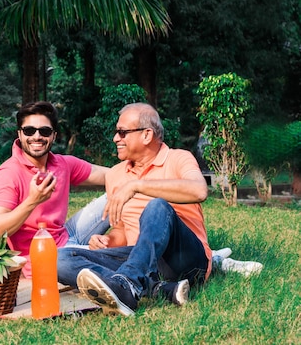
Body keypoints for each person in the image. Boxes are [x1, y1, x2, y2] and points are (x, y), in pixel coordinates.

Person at [56, 102, 212, 316]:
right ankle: (154, 288)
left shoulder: (178, 158)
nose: (115, 138)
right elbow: (121, 229)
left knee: (157, 206)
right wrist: (108, 241)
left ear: (147, 135)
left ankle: (127, 285)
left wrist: (138, 186)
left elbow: (199, 191)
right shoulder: (115, 175)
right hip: (140, 259)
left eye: (122, 132)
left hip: (184, 260)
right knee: (60, 258)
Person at [0, 101, 110, 278]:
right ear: (20, 135)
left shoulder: (62, 163)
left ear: (53, 136)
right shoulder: (7, 173)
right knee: (108, 256)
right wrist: (32, 201)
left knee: (120, 190)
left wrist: (143, 177)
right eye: (29, 131)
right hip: (43, 255)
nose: (37, 136)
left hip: (67, 234)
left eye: (44, 131)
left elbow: (111, 174)